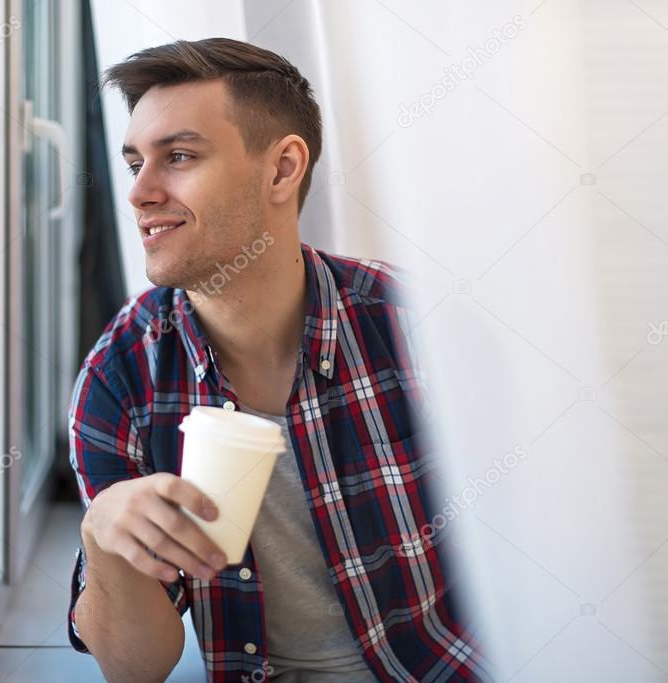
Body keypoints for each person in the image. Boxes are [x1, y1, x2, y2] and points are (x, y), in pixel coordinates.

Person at [67, 38, 491, 683]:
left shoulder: (414, 326)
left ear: (282, 169)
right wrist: (102, 534)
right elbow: (135, 667)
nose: (140, 193)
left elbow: (538, 546)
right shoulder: (121, 375)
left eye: (178, 156)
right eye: (135, 164)